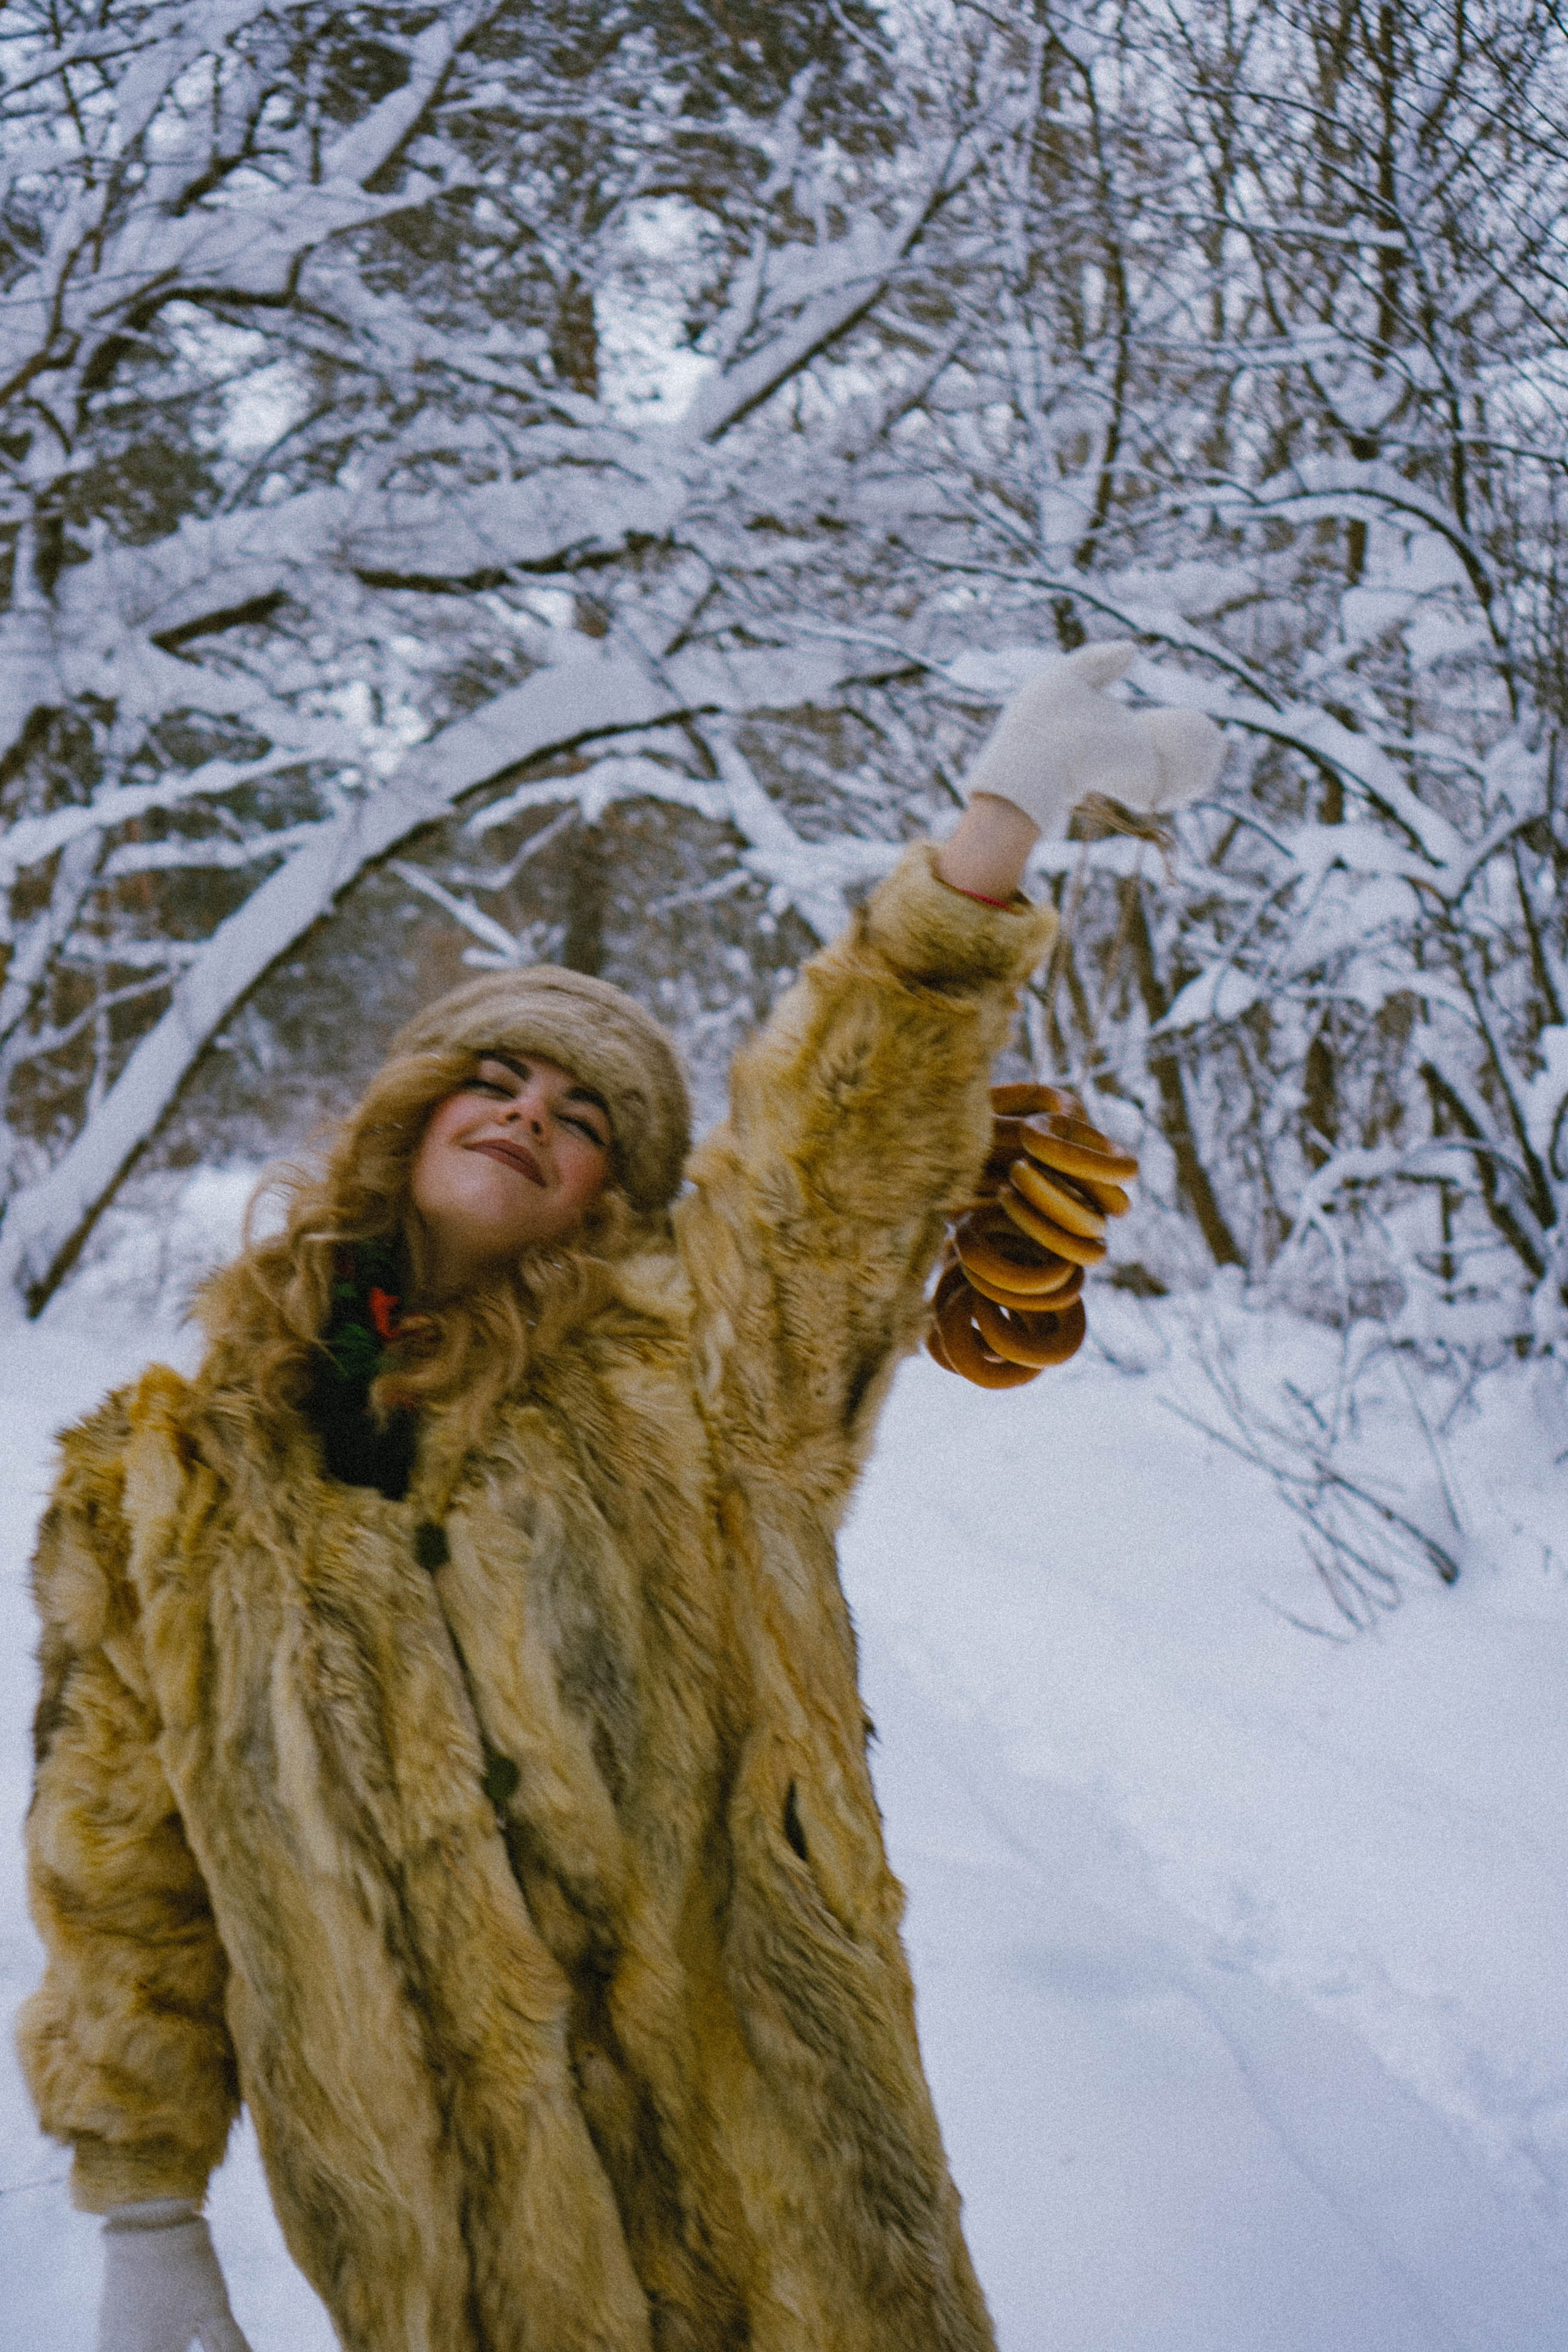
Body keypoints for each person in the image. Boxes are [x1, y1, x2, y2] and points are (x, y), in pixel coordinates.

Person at [18, 646, 1220, 2352]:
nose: (531, 1114)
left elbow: (830, 1164)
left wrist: (997, 824)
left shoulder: (698, 1387)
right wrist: (147, 2218)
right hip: (446, 2255)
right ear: (408, 1119)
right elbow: (122, 1871)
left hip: (789, 2213)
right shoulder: (156, 1489)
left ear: (607, 1197)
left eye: (583, 1115)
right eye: (496, 1080)